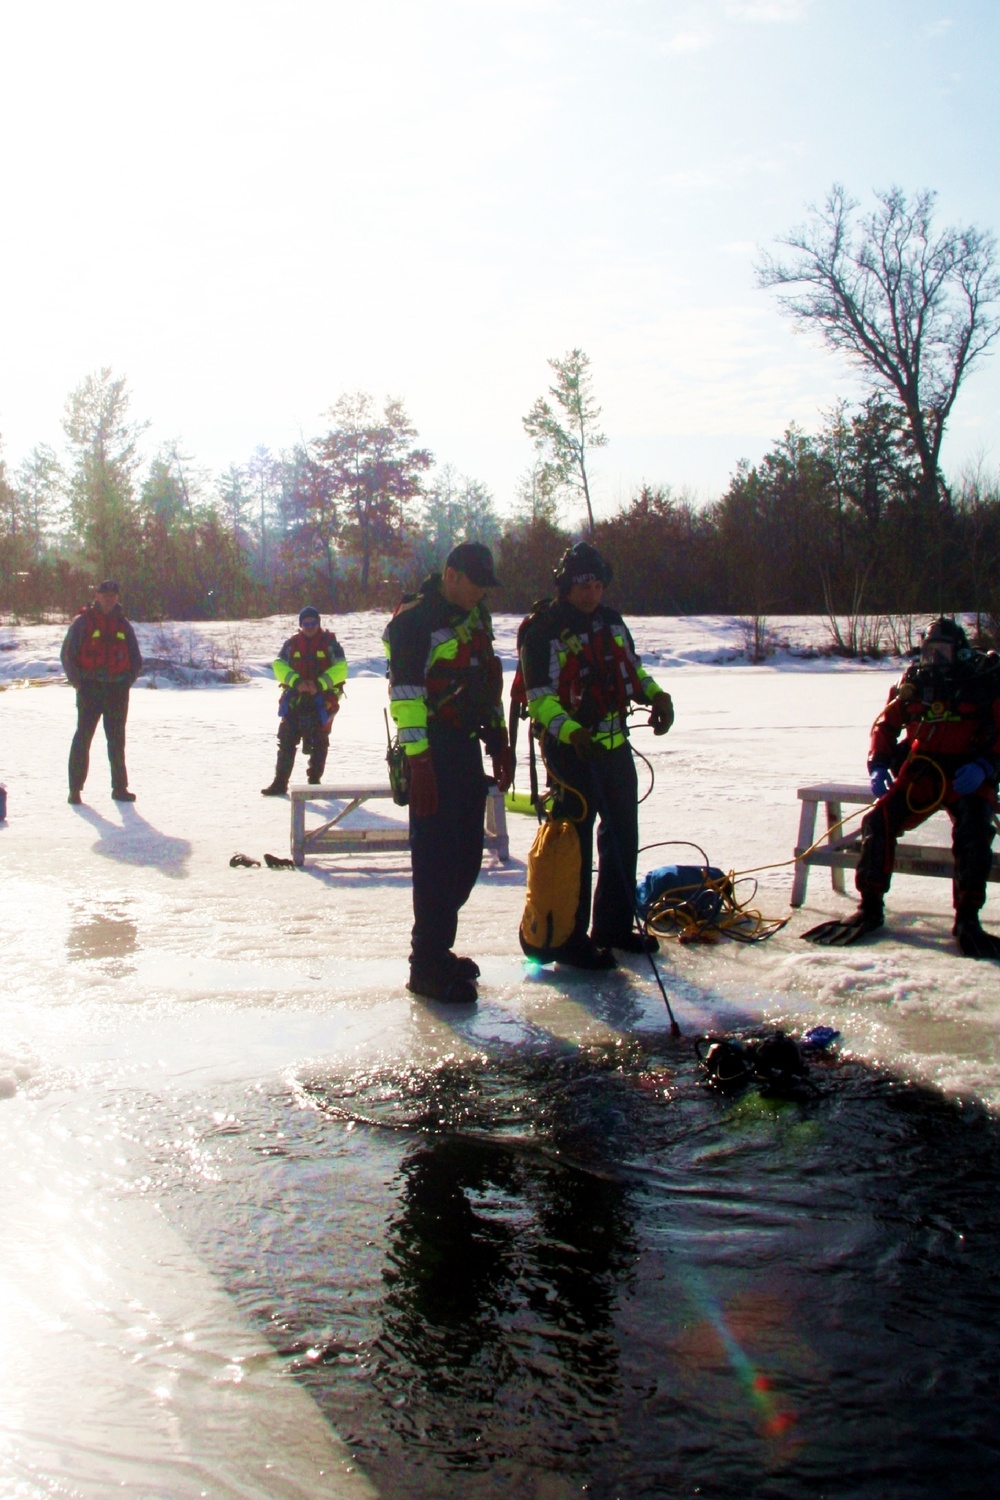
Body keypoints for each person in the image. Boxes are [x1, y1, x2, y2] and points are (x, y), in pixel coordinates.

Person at [804, 616, 1000, 958]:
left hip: (966, 773)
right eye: (928, 653)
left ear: (961, 653)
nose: (933, 661)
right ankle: (870, 907)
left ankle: (968, 919)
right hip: (922, 771)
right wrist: (878, 764)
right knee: (877, 823)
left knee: (975, 830)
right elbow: (885, 724)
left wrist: (986, 766)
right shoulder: (914, 684)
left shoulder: (980, 684)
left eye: (941, 652)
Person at [518, 541, 675, 968]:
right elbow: (540, 698)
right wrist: (571, 733)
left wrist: (658, 696)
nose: (590, 593)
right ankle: (568, 938)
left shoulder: (612, 621)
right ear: (566, 586)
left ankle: (613, 926)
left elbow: (633, 669)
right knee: (575, 846)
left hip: (615, 747)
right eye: (582, 585)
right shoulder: (544, 632)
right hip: (570, 755)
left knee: (623, 836)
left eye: (597, 584)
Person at [384, 542, 514, 1004]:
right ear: (451, 575)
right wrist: (419, 764)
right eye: (475, 583)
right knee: (436, 857)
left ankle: (440, 947)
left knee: (465, 854)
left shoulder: (475, 617)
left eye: (485, 586)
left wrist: (498, 739)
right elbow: (405, 696)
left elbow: (485, 683)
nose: (481, 593)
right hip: (430, 751)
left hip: (464, 746)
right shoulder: (415, 622)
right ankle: (426, 963)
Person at [61, 579, 144, 804]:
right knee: (83, 738)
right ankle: (75, 790)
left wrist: (126, 681)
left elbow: (136, 659)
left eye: (113, 595)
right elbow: (67, 655)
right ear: (96, 596)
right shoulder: (82, 623)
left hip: (117, 690)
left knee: (117, 740)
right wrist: (79, 683)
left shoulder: (124, 625)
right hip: (90, 688)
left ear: (117, 598)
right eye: (104, 594)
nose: (108, 598)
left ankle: (120, 788)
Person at [261, 607, 347, 794]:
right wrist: (296, 681)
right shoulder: (291, 643)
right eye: (305, 623)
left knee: (320, 741)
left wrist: (319, 684)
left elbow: (341, 668)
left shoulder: (330, 643)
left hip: (323, 701)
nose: (309, 627)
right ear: (300, 625)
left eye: (313, 623)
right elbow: (278, 665)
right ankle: (280, 782)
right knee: (286, 739)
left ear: (319, 623)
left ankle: (314, 781)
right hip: (296, 700)